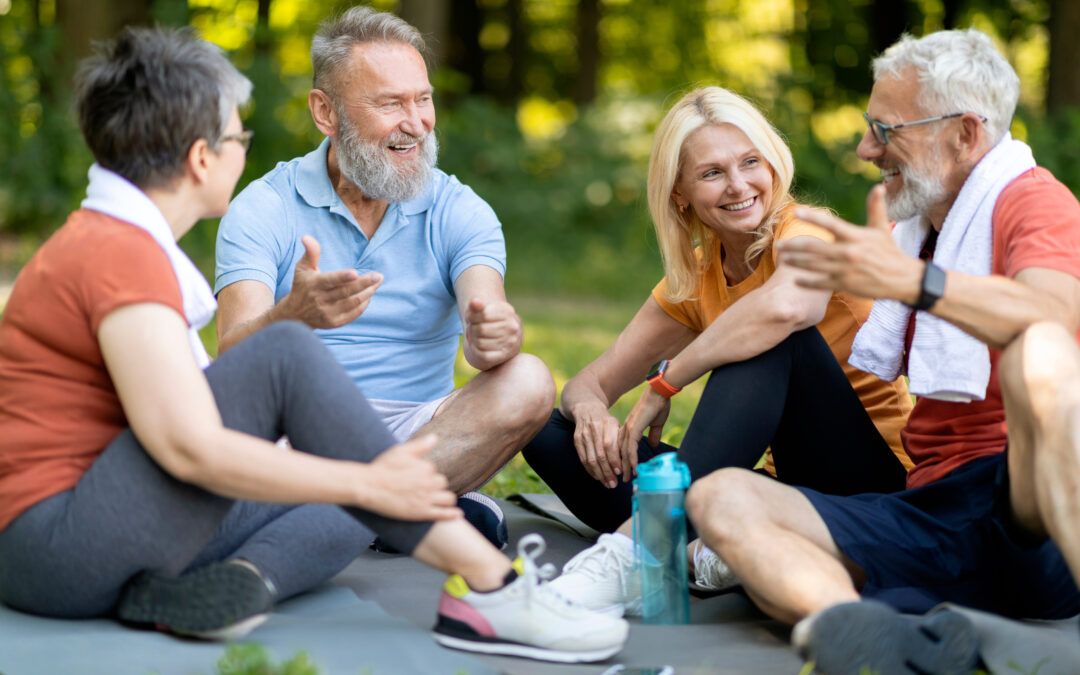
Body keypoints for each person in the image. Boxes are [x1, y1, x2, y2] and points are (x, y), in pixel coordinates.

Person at [0, 27, 627, 663]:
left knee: (333, 433)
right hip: (60, 547)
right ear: (201, 158)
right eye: (238, 136)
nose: (245, 149)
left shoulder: (114, 241)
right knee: (290, 363)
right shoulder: (118, 256)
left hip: (103, 527)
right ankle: (492, 588)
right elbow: (187, 445)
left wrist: (367, 478)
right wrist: (366, 480)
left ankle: (263, 579)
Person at [683, 29, 1080, 673]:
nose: (867, 149)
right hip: (931, 511)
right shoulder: (918, 226)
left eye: (886, 130)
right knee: (718, 497)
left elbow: (1054, 317)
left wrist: (912, 284)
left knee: (1043, 357)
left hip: (1028, 505)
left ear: (965, 135)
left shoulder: (1033, 201)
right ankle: (861, 632)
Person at [524, 86, 913, 615]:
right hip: (778, 486)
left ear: (772, 163)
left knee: (768, 339)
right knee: (550, 434)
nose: (739, 186)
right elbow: (589, 383)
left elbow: (786, 311)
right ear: (680, 192)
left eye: (750, 162)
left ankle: (635, 551)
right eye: (712, 173)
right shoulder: (696, 275)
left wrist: (668, 381)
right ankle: (699, 548)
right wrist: (591, 411)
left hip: (872, 484)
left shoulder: (804, 235)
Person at [213, 6, 553, 549]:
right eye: (390, 103)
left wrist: (495, 339)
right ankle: (406, 513)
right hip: (292, 430)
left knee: (528, 378)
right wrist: (290, 317)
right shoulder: (264, 207)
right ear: (326, 112)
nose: (415, 122)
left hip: (420, 435)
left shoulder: (460, 210)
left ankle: (343, 513)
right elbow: (231, 357)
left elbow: (485, 328)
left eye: (423, 99)